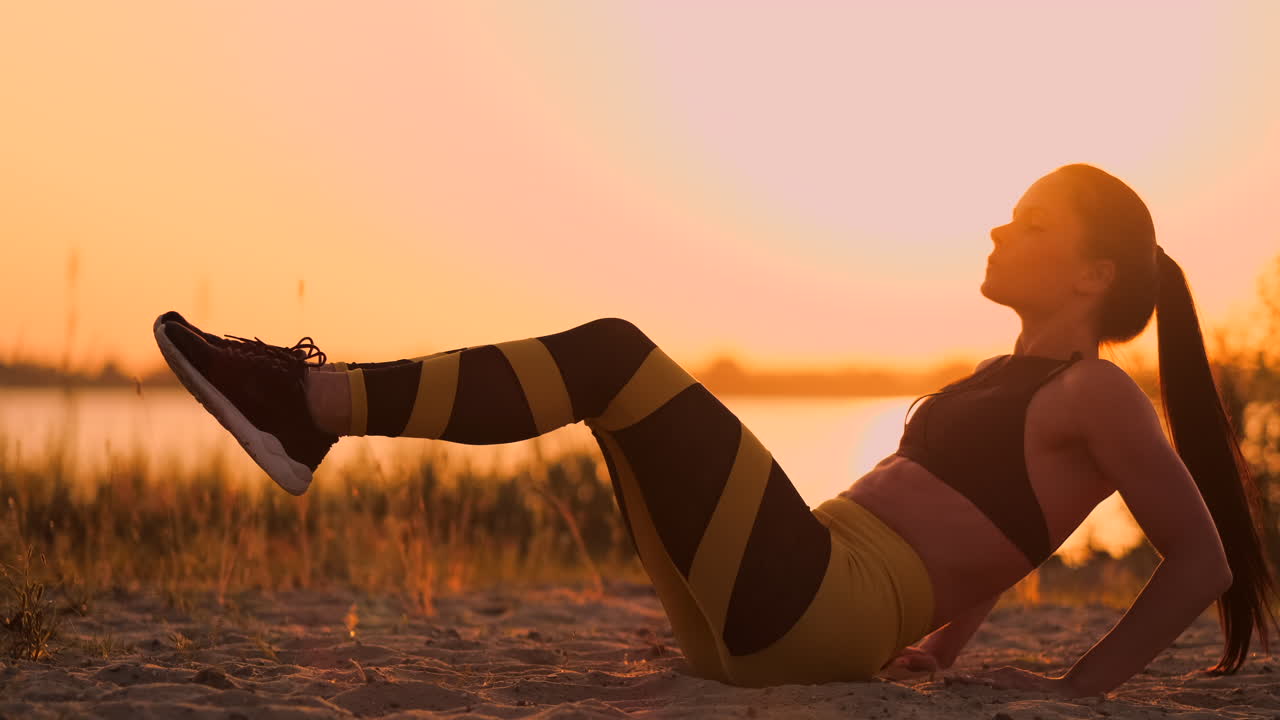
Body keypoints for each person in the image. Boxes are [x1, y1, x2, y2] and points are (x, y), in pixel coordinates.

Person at [152, 162, 1278, 696]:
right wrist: (943, 646)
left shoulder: (1098, 393)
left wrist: (1077, 690)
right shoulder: (1000, 378)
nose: (997, 223)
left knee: (614, 357)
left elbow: (1201, 560)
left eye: (1026, 221)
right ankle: (309, 414)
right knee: (610, 392)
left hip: (818, 606)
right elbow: (995, 530)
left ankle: (314, 407)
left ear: (1088, 271)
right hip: (771, 610)